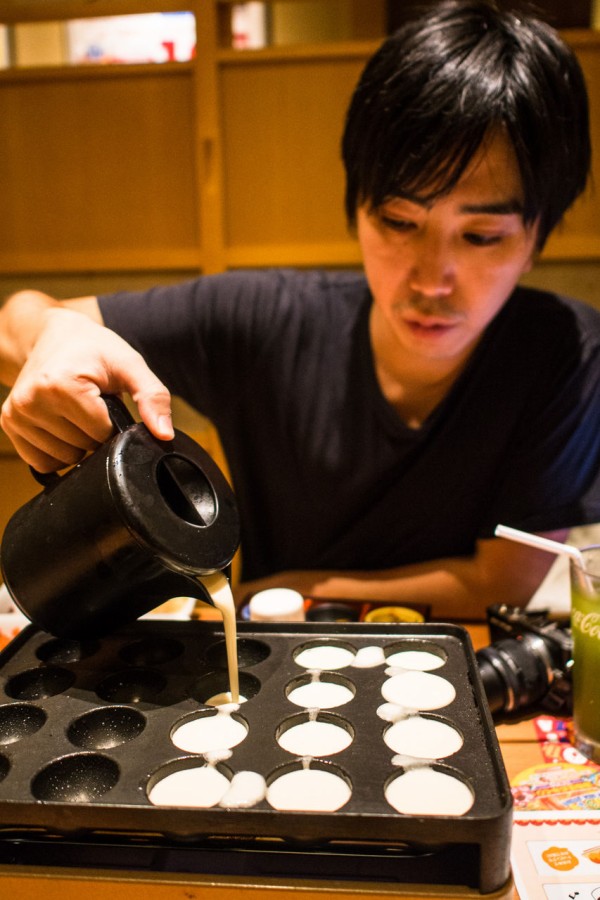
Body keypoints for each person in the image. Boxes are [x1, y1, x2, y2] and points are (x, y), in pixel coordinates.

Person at [0, 0, 599, 620]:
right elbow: (14, 327)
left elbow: (500, 584)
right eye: (399, 221)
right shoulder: (267, 321)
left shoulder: (565, 354)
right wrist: (52, 332)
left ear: (536, 239)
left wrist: (293, 584)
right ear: (357, 208)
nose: (432, 280)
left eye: (481, 237)